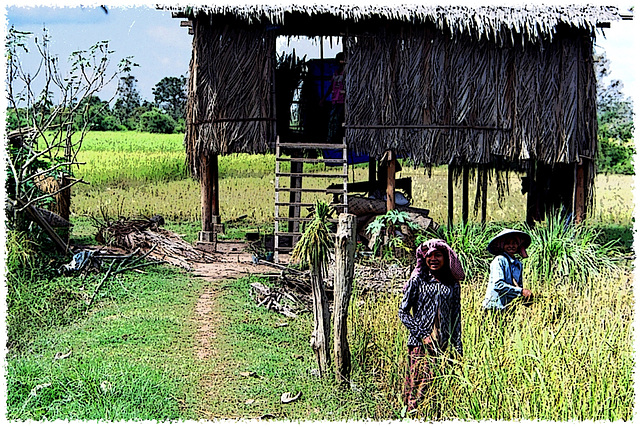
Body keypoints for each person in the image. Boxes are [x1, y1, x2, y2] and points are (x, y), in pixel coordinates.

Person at [399, 239, 465, 413]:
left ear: (446, 258)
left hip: (443, 345)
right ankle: (411, 417)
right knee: (418, 386)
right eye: (429, 256)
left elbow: (455, 317)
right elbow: (403, 313)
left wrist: (457, 347)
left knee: (439, 387)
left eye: (438, 255)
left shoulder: (452, 285)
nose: (433, 259)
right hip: (420, 345)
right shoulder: (418, 281)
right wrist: (422, 334)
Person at [481, 228, 533, 310]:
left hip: (508, 308)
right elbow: (498, 285)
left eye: (514, 243)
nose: (511, 246)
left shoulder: (518, 265)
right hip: (494, 307)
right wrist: (521, 291)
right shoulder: (499, 260)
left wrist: (524, 297)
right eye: (507, 243)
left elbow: (518, 286)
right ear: (502, 245)